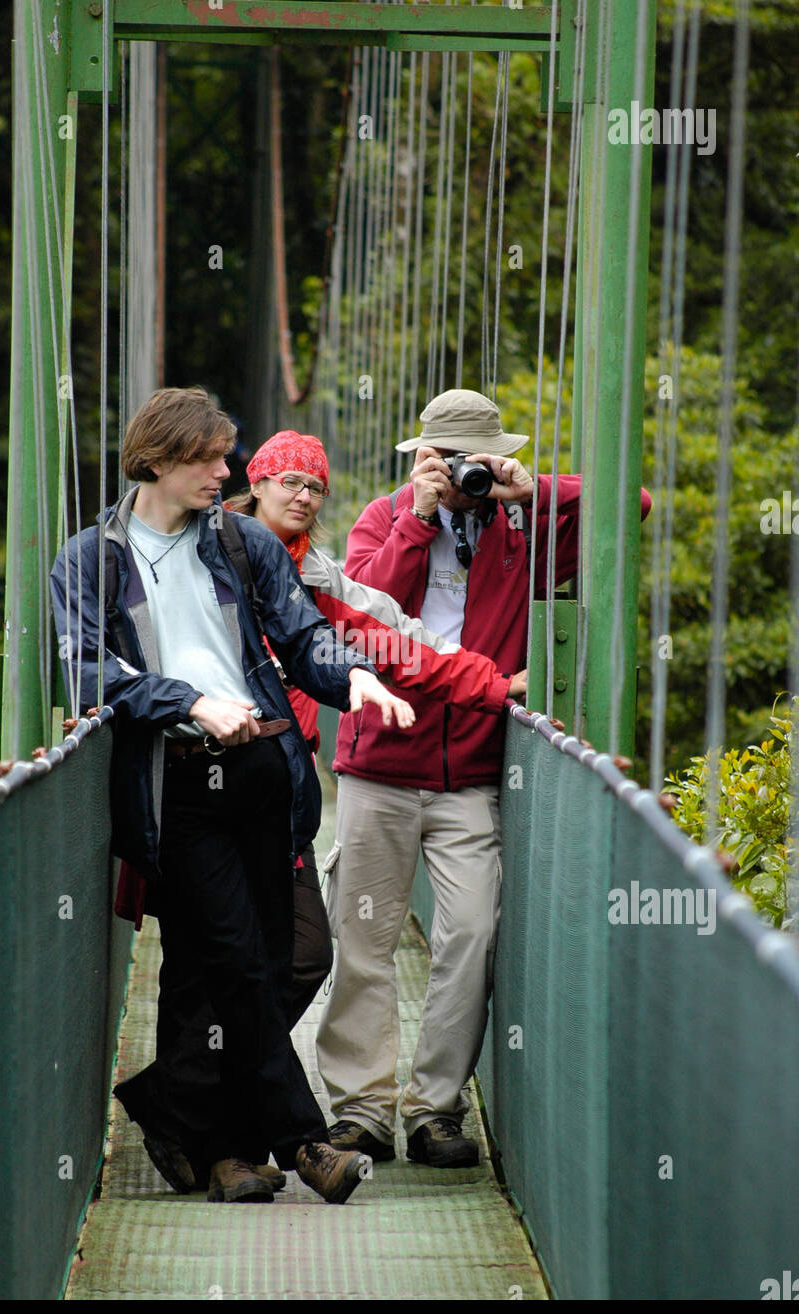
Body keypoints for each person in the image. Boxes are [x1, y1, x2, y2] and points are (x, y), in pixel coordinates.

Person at [49, 386, 416, 1206]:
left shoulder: (243, 541)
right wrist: (184, 700)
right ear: (159, 460)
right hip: (174, 784)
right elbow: (84, 671)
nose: (228, 471)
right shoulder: (91, 559)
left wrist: (354, 675)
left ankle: (199, 1130)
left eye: (226, 456)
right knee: (240, 960)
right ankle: (298, 1142)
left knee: (244, 965)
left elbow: (301, 634)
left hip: (263, 775)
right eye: (210, 459)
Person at [316, 388, 653, 1167]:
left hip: (470, 772)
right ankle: (362, 1109)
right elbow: (358, 605)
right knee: (363, 940)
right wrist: (419, 516)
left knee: (469, 935)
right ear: (422, 457)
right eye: (447, 460)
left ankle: (434, 1108)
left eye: (476, 459)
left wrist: (529, 489)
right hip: (378, 766)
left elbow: (627, 506)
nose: (462, 473)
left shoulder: (525, 528)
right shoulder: (384, 516)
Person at [224, 429, 529, 1030]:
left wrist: (492, 684)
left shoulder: (317, 577)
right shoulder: (203, 551)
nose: (306, 496)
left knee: (304, 957)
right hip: (202, 782)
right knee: (217, 956)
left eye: (316, 487)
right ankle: (215, 1105)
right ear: (255, 482)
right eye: (291, 482)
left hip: (282, 791)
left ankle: (222, 1095)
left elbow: (393, 636)